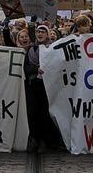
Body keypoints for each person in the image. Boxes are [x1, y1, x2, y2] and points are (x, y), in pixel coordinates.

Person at [25, 23, 58, 152]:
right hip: (33, 86)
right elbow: (26, 68)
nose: (40, 34)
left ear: (48, 35)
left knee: (45, 114)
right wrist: (35, 69)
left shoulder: (53, 49)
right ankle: (34, 139)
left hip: (47, 87)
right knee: (33, 114)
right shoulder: (31, 50)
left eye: (43, 32)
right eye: (38, 32)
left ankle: (44, 141)